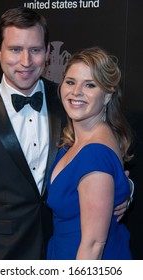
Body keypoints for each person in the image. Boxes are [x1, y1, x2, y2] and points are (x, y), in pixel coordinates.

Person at [0, 8, 130, 260]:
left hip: (59, 249)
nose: (26, 61)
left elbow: (100, 157)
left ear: (48, 53)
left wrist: (125, 190)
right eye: (15, 49)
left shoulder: (68, 101)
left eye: (35, 50)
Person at [46, 47, 133, 260]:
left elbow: (93, 245)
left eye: (90, 85)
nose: (76, 91)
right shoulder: (80, 138)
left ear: (107, 95)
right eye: (70, 82)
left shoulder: (94, 155)